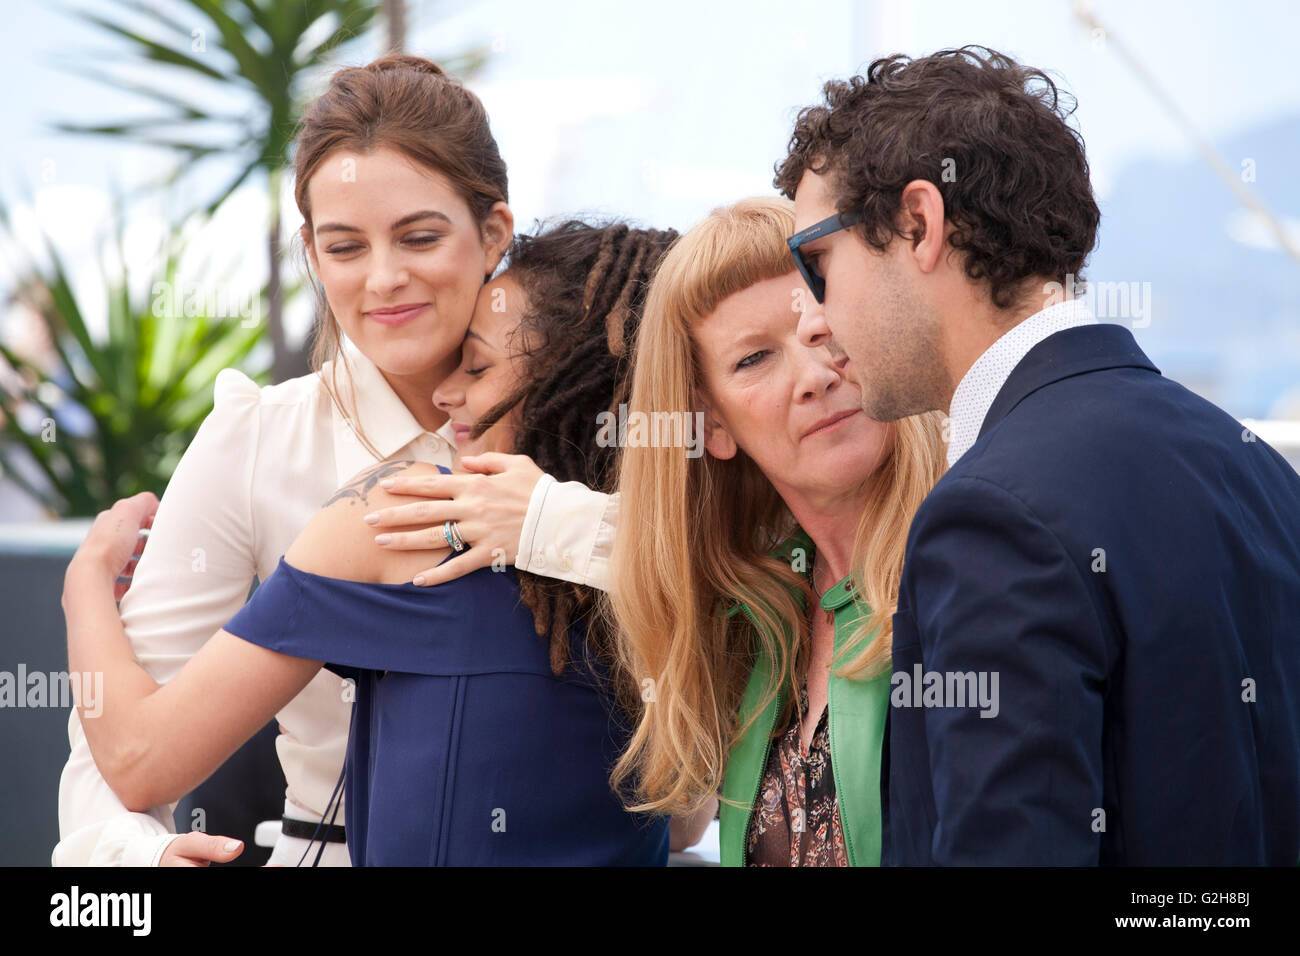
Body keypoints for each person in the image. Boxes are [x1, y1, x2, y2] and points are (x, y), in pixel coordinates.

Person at [54, 54, 613, 868]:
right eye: (346, 248)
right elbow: (116, 770)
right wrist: (139, 861)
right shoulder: (255, 441)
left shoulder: (588, 429)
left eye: (420, 236)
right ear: (312, 255)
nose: (385, 279)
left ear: (495, 230)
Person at [780, 45, 1300, 864]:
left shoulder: (990, 514)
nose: (812, 317)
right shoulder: (1256, 470)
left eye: (814, 262)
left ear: (920, 224)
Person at [583, 197, 941, 866]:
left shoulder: (970, 570)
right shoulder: (759, 627)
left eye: (823, 325)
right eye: (753, 360)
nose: (813, 377)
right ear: (711, 425)